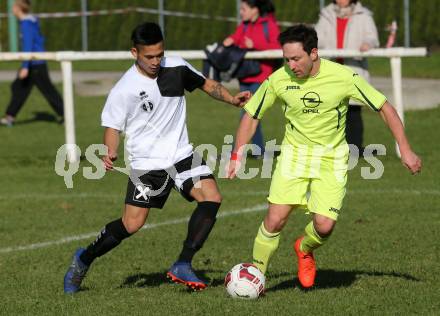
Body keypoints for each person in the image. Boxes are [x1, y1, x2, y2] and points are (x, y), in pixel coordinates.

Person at [227, 24, 421, 288]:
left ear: (314, 53)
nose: (291, 65)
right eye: (286, 59)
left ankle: (304, 248)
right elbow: (252, 115)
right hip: (294, 157)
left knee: (325, 226)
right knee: (274, 219)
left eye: (296, 59)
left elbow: (384, 107)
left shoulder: (343, 77)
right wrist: (237, 153)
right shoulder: (278, 79)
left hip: (332, 160)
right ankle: (256, 278)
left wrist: (405, 148)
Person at [63, 22, 251, 294]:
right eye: (149, 56)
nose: (155, 61)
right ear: (134, 53)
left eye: (159, 54)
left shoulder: (176, 67)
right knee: (132, 223)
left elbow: (206, 85)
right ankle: (83, 259)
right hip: (146, 164)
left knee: (212, 198)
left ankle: (183, 263)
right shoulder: (124, 89)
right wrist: (109, 150)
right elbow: (112, 128)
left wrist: (232, 99)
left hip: (181, 155)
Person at [315, 0, 379, 156]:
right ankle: (332, 147)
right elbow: (317, 37)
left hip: (353, 69)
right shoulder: (326, 14)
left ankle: (355, 148)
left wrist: (367, 44)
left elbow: (372, 38)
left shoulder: (363, 15)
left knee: (353, 112)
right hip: (330, 69)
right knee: (329, 112)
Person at [223, 0, 280, 158]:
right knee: (251, 114)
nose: (241, 12)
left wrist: (255, 44)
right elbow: (237, 38)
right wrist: (231, 40)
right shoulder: (244, 25)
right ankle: (258, 150)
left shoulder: (270, 25)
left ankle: (241, 152)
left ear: (255, 9)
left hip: (261, 77)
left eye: (244, 9)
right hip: (245, 75)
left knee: (248, 113)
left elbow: (278, 47)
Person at [0, 0, 64, 127]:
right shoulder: (31, 21)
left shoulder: (26, 24)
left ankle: (66, 115)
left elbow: (28, 46)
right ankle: (9, 116)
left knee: (48, 91)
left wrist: (25, 67)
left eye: (14, 7)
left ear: (19, 8)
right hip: (34, 62)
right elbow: (39, 39)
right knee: (18, 88)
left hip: (35, 64)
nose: (12, 10)